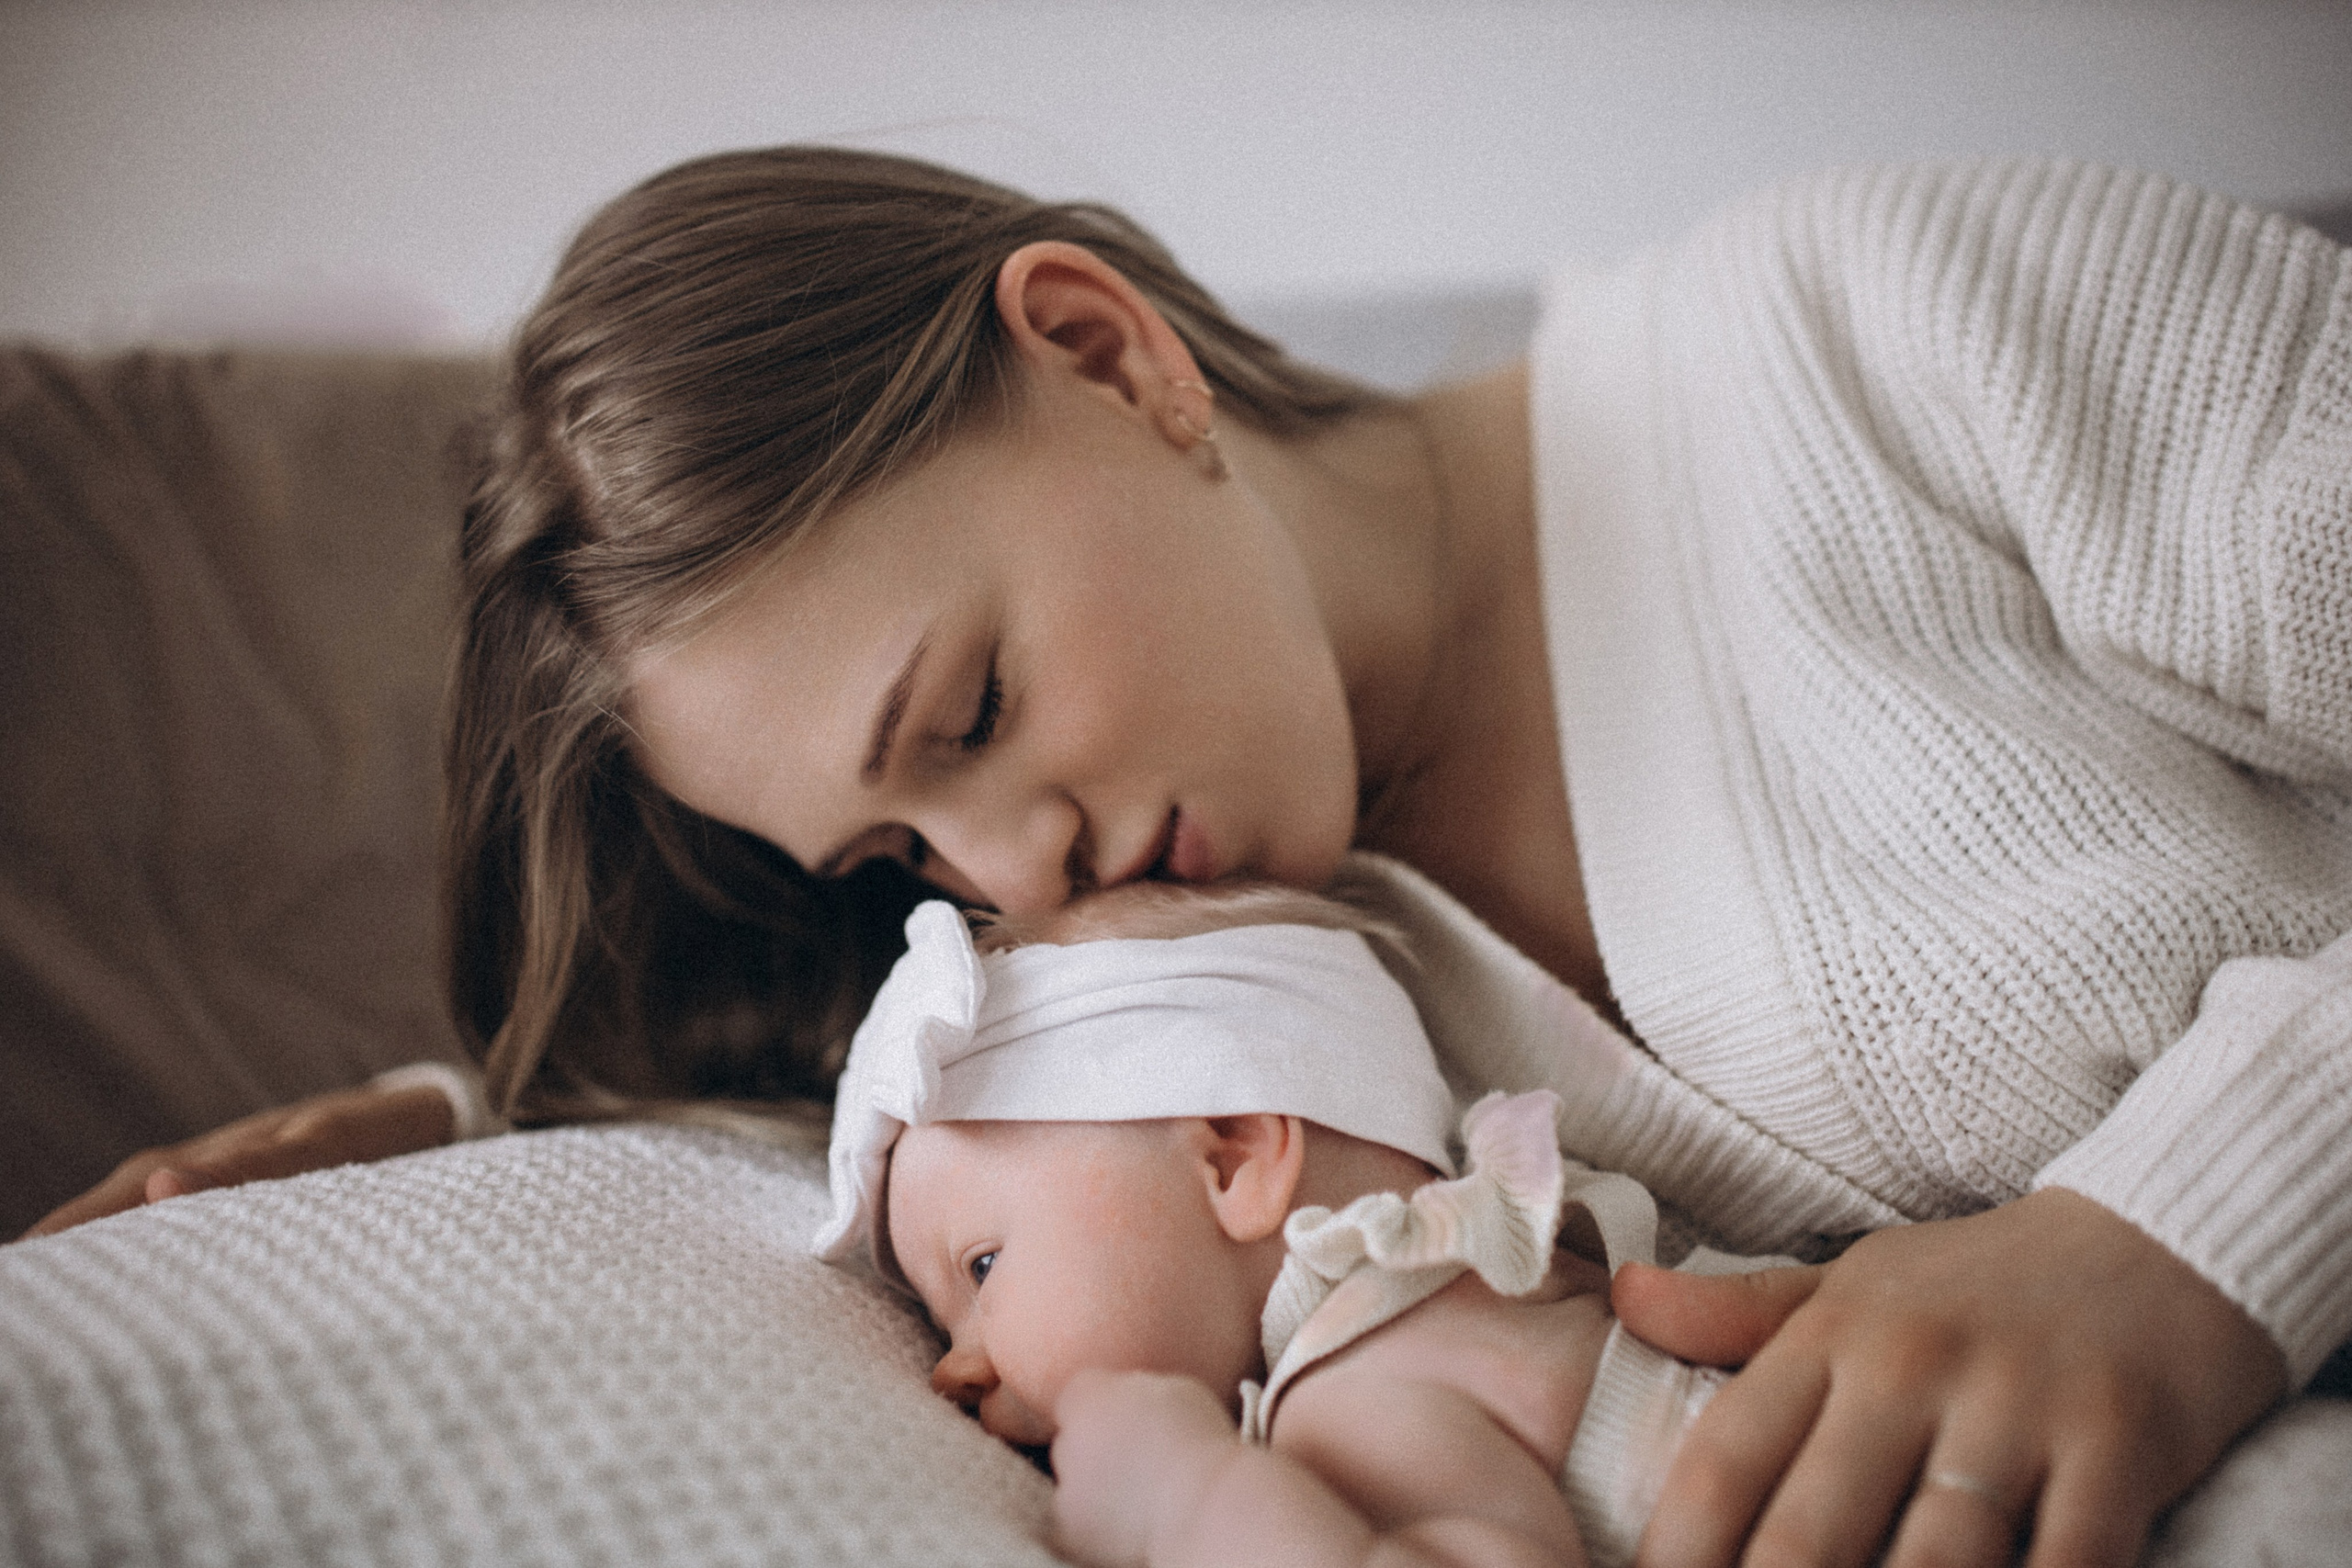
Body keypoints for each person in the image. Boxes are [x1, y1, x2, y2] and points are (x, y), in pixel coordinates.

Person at [31, 147, 2352, 1568]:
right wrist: (440, 1139)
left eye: (967, 712)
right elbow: (935, 1157)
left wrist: (2187, 1232)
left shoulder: (1864, 339)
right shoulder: (1187, 932)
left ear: (1103, 350)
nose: (1012, 873)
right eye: (904, 849)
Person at [819, 879, 1762, 1568]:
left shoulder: (1356, 1377)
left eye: (981, 1269)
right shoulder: (1507, 1279)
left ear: (1230, 1161)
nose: (950, 1367)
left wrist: (1187, 1499)